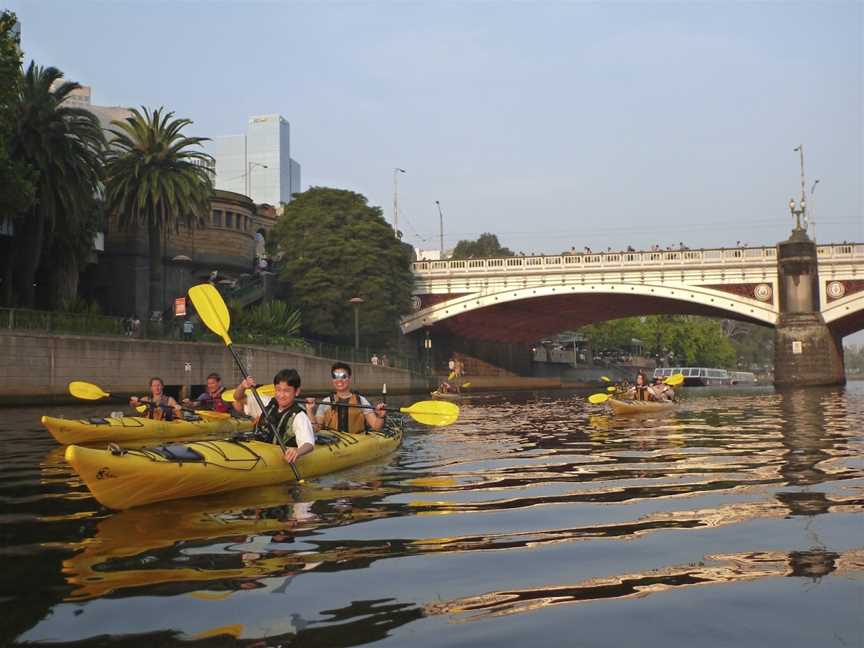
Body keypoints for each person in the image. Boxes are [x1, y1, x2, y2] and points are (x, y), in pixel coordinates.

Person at [233, 369, 315, 465]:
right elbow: (238, 397)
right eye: (278, 390)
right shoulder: (267, 403)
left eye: (286, 391)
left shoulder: (299, 416)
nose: (281, 395)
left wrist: (297, 451)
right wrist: (243, 386)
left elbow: (308, 444)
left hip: (275, 459)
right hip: (256, 450)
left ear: (296, 392)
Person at [307, 362, 386, 434]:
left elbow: (376, 427)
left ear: (349, 378)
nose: (339, 380)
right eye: (335, 377)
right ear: (332, 380)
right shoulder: (326, 402)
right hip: (332, 441)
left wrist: (381, 416)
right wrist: (309, 411)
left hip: (357, 443)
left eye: (343, 377)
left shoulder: (361, 401)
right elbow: (316, 428)